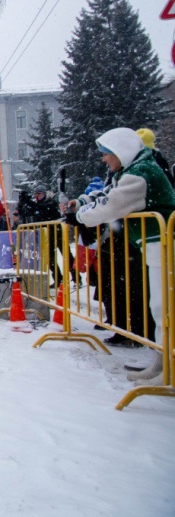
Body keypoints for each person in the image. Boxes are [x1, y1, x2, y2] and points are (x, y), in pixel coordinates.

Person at [67, 128, 175, 380]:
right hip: (156, 245)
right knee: (160, 307)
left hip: (164, 244)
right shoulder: (132, 170)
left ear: (120, 152)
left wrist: (80, 216)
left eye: (106, 153)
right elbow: (107, 194)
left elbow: (112, 204)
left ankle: (168, 368)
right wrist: (82, 204)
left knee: (165, 308)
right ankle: (162, 365)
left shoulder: (140, 174)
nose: (104, 159)